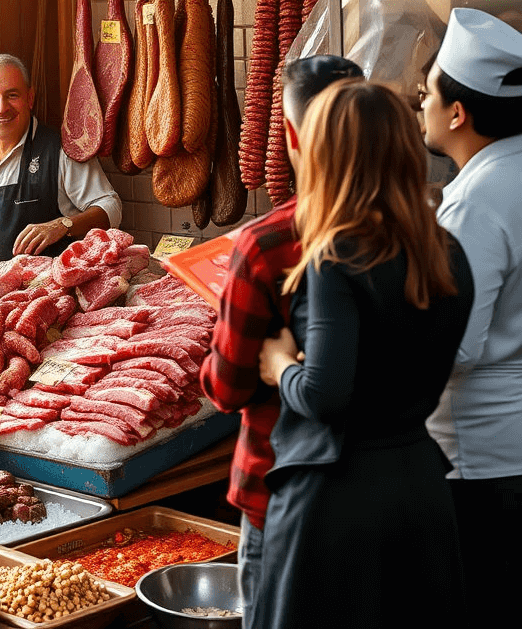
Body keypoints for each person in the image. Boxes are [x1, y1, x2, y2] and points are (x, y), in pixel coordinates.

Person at [255, 80, 474, 629]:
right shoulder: (446, 251)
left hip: (335, 502)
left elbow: (327, 395)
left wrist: (281, 366)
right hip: (419, 485)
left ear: (328, 155)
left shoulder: (337, 254)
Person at [200, 55, 363, 619]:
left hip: (282, 485)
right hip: (392, 488)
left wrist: (275, 361)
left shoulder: (269, 244)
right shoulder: (424, 232)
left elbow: (225, 387)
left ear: (290, 135)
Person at [419, 7, 522, 619]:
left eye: (427, 92)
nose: (421, 104)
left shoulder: (479, 202)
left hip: (480, 460)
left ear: (457, 113)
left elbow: (451, 344)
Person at [0, 54, 121, 261]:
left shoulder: (60, 150)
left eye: (12, 95)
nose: (2, 108)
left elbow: (112, 207)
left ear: (30, 98)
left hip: (46, 291)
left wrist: (62, 225)